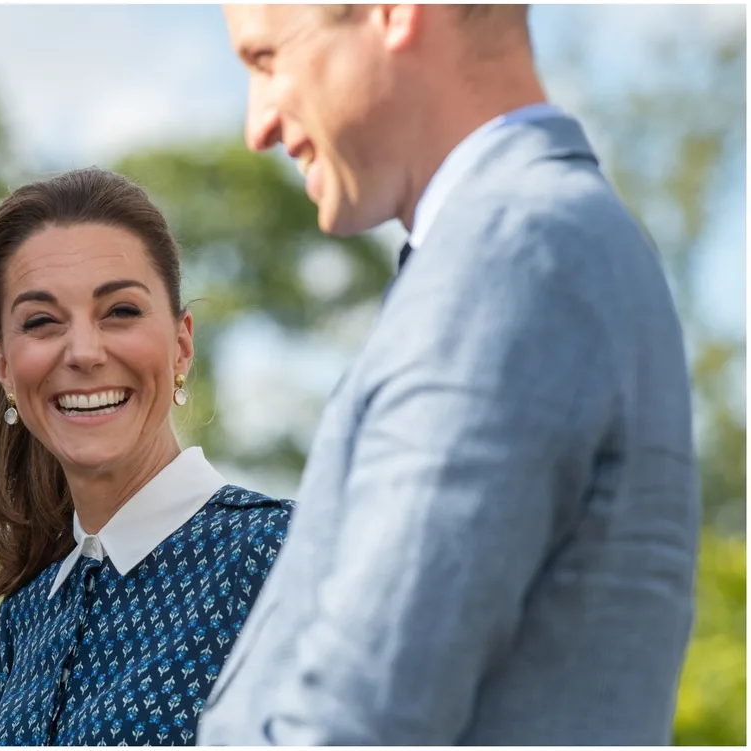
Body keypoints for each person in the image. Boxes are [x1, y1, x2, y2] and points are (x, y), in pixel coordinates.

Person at [199, 4, 700, 745]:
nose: (259, 124)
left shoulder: (510, 255)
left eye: (267, 58)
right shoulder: (534, 242)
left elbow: (357, 717)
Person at [0, 168, 292, 746]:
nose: (84, 352)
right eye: (41, 322)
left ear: (182, 342)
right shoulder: (22, 621)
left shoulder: (284, 555)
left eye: (120, 311)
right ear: (4, 366)